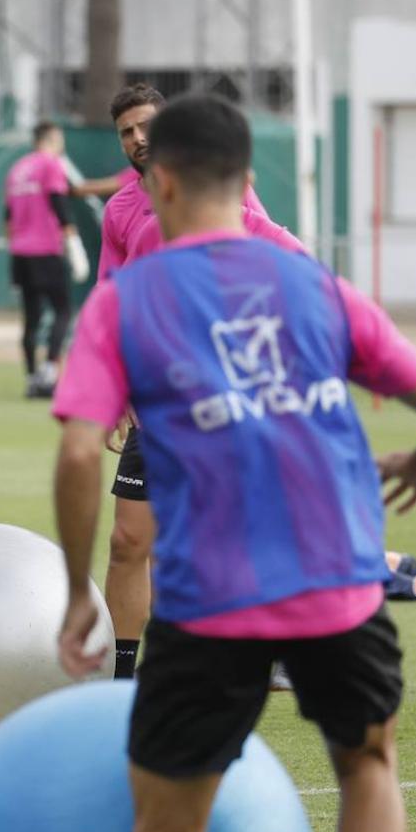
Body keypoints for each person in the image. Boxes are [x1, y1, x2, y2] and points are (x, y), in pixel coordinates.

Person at [52, 94, 416, 832]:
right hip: (341, 589)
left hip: (208, 601)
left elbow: (80, 452)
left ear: (162, 183)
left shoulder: (127, 302)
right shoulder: (316, 284)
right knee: (367, 769)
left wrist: (80, 588)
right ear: (245, 177)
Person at [95, 82, 304, 682]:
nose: (137, 138)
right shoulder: (120, 211)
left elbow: (280, 262)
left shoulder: (222, 190)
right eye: (125, 131)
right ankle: (122, 672)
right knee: (129, 541)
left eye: (146, 126)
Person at [4, 120, 89, 397]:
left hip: (20, 253)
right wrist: (73, 242)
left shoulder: (17, 169)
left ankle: (31, 377)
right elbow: (58, 202)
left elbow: (7, 218)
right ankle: (49, 372)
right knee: (63, 311)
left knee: (31, 318)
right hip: (46, 250)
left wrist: (14, 248)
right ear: (53, 139)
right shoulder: (51, 164)